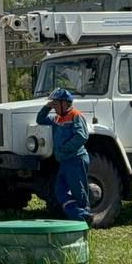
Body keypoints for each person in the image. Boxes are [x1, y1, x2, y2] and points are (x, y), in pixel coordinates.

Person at [36, 88, 93, 224]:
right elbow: (40, 119)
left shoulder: (75, 115)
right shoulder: (57, 118)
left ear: (65, 103)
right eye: (54, 105)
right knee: (60, 190)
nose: (54, 107)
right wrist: (47, 107)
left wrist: (64, 148)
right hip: (64, 161)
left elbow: (81, 136)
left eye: (56, 104)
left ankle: (84, 217)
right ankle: (81, 216)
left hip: (76, 159)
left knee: (78, 191)